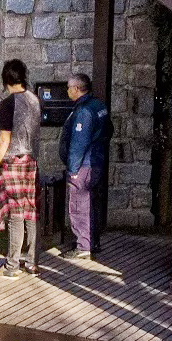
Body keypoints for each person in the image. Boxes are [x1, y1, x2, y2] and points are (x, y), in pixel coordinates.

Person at [0, 59, 42, 276]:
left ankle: (11, 266)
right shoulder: (34, 100)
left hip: (13, 161)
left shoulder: (8, 104)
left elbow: (4, 140)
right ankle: (32, 263)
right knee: (31, 211)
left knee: (16, 214)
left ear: (6, 80)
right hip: (31, 161)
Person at [59, 71, 112, 259]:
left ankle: (83, 246)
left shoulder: (83, 111)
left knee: (79, 205)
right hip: (97, 162)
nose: (67, 91)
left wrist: (73, 169)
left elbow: (78, 143)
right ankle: (92, 241)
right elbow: (109, 130)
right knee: (92, 203)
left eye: (68, 87)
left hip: (84, 165)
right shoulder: (99, 106)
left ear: (76, 89)